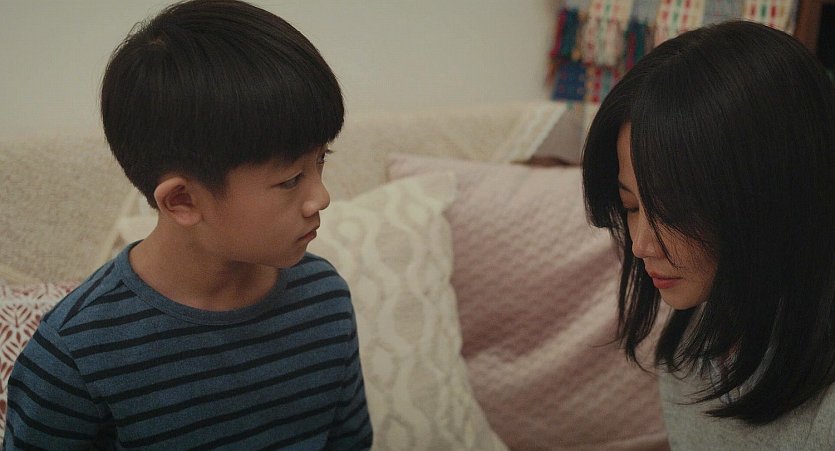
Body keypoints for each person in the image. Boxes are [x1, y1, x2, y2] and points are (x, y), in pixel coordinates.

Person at [2, 0, 373, 449]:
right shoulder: (75, 355)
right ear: (182, 200)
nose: (321, 197)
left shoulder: (324, 298)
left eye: (322, 159)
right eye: (291, 179)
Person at [582, 20, 835, 449]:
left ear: (775, 193)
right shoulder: (692, 344)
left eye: (673, 211)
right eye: (631, 206)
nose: (641, 246)